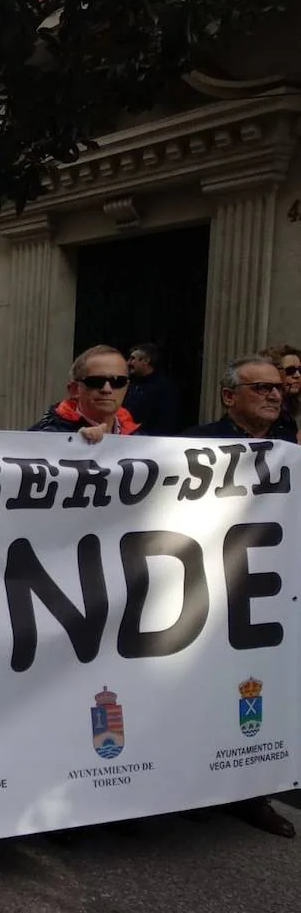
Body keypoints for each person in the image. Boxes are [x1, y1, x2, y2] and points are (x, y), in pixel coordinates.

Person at [179, 355, 295, 839]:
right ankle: (185, 789)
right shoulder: (191, 444)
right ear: (230, 396)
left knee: (258, 693)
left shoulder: (290, 447)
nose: (273, 395)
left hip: (268, 597)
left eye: (278, 389)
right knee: (201, 690)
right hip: (207, 591)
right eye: (261, 388)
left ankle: (252, 792)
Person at [29, 344, 139, 439]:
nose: (107, 389)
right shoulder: (44, 437)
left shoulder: (141, 440)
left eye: (118, 381)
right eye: (95, 382)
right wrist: (73, 443)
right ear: (74, 389)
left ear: (127, 387)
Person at [124, 343, 180, 436]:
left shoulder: (164, 388)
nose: (128, 363)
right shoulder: (129, 383)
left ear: (146, 361)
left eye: (133, 358)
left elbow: (166, 421)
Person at [261, 344, 301, 435]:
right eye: (290, 371)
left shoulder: (288, 414)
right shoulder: (264, 410)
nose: (297, 375)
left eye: (300, 370)